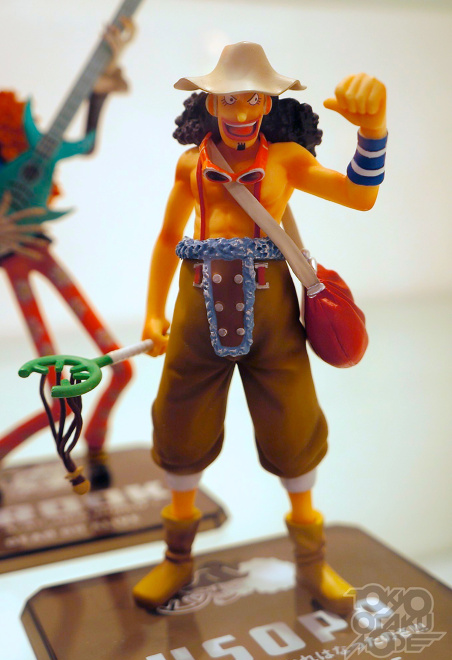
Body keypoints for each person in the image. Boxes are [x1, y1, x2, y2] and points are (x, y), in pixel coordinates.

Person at [134, 42, 387, 614]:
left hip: (273, 314)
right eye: (229, 98)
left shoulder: (287, 160)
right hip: (197, 308)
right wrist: (153, 311)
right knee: (180, 425)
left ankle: (313, 562)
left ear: (269, 103)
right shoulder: (192, 164)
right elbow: (167, 238)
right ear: (210, 103)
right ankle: (176, 558)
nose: (242, 110)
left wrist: (373, 133)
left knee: (293, 426)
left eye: (253, 98)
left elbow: (359, 196)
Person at [0, 20, 135, 489]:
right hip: (16, 264)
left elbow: (87, 143)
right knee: (57, 391)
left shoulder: (34, 152)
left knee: (122, 367)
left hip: (41, 253)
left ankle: (95, 442)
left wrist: (98, 93)